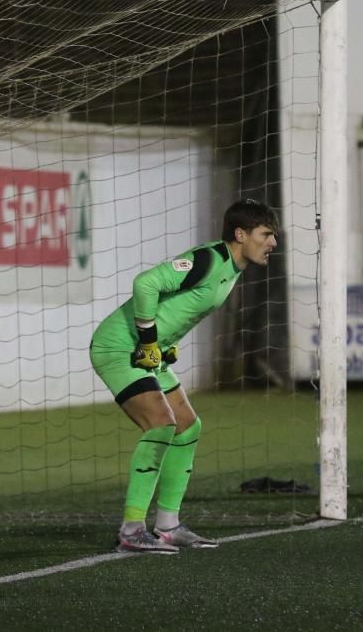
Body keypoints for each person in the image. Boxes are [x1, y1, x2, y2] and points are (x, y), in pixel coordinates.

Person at [90, 199, 279, 553]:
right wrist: (149, 340)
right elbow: (146, 284)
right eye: (266, 234)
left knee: (187, 426)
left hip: (146, 351)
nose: (273, 243)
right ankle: (132, 530)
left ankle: (167, 525)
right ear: (241, 234)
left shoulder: (232, 269)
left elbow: (179, 308)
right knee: (161, 423)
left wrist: (165, 342)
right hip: (118, 346)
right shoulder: (208, 259)